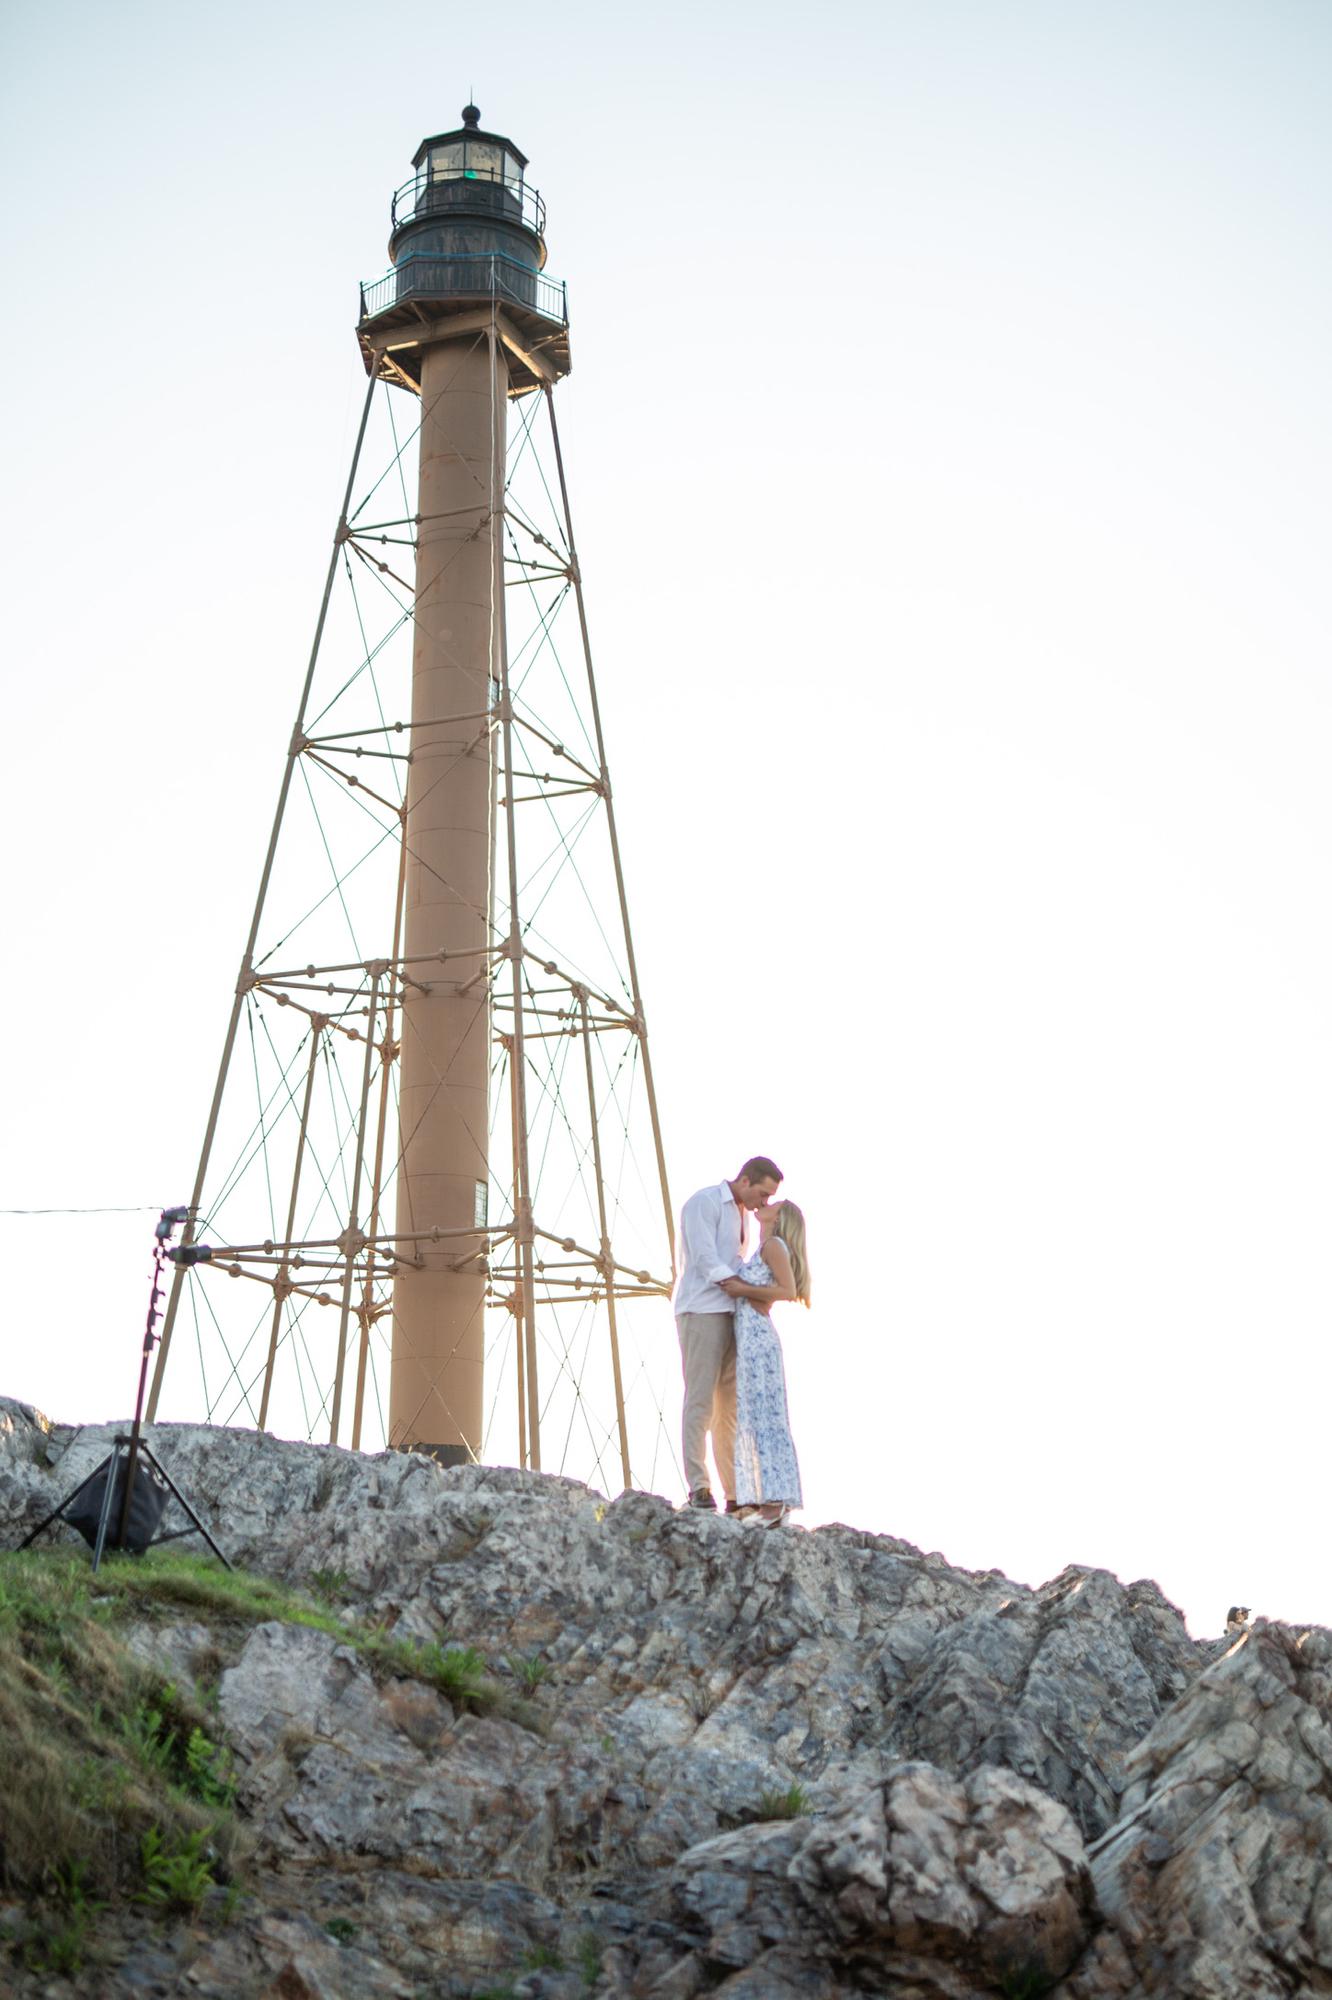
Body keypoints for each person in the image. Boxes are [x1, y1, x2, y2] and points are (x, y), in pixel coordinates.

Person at [673, 1157, 783, 1510]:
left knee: (728, 1409)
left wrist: (748, 1291)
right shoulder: (704, 1202)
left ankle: (735, 1494)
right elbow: (704, 1258)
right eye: (762, 1193)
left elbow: (736, 1261)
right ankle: (699, 1487)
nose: (763, 1203)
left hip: (732, 1312)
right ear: (746, 1180)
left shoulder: (744, 1217)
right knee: (700, 1400)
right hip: (701, 1310)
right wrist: (736, 1285)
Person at [725, 1199, 810, 1526]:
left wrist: (742, 1289)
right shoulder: (763, 1247)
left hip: (759, 1340)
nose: (766, 1204)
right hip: (751, 1339)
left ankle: (775, 1505)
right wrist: (748, 1291)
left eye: (773, 1204)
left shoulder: (774, 1245)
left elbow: (786, 1290)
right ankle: (771, 1503)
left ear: (780, 1217)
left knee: (766, 1418)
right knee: (758, 1416)